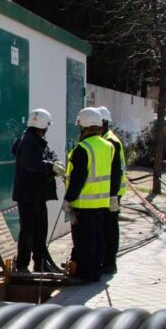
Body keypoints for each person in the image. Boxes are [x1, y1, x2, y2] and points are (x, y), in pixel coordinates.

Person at [63, 107, 117, 284]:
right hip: (101, 202)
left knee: (83, 241)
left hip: (83, 204)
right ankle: (95, 272)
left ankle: (84, 275)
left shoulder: (82, 149)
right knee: (98, 239)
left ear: (83, 126)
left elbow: (78, 178)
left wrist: (68, 199)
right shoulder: (108, 146)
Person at [11, 108, 65, 273]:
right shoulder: (28, 141)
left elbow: (48, 152)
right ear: (44, 126)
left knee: (40, 231)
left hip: (37, 195)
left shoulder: (36, 139)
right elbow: (30, 163)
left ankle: (40, 263)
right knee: (28, 232)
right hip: (28, 196)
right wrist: (51, 166)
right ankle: (22, 265)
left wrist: (55, 160)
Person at [99, 106, 126, 274]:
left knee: (109, 229)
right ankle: (106, 260)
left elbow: (116, 171)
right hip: (110, 192)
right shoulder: (108, 139)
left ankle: (109, 263)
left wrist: (113, 196)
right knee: (107, 228)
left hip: (111, 193)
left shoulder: (110, 141)